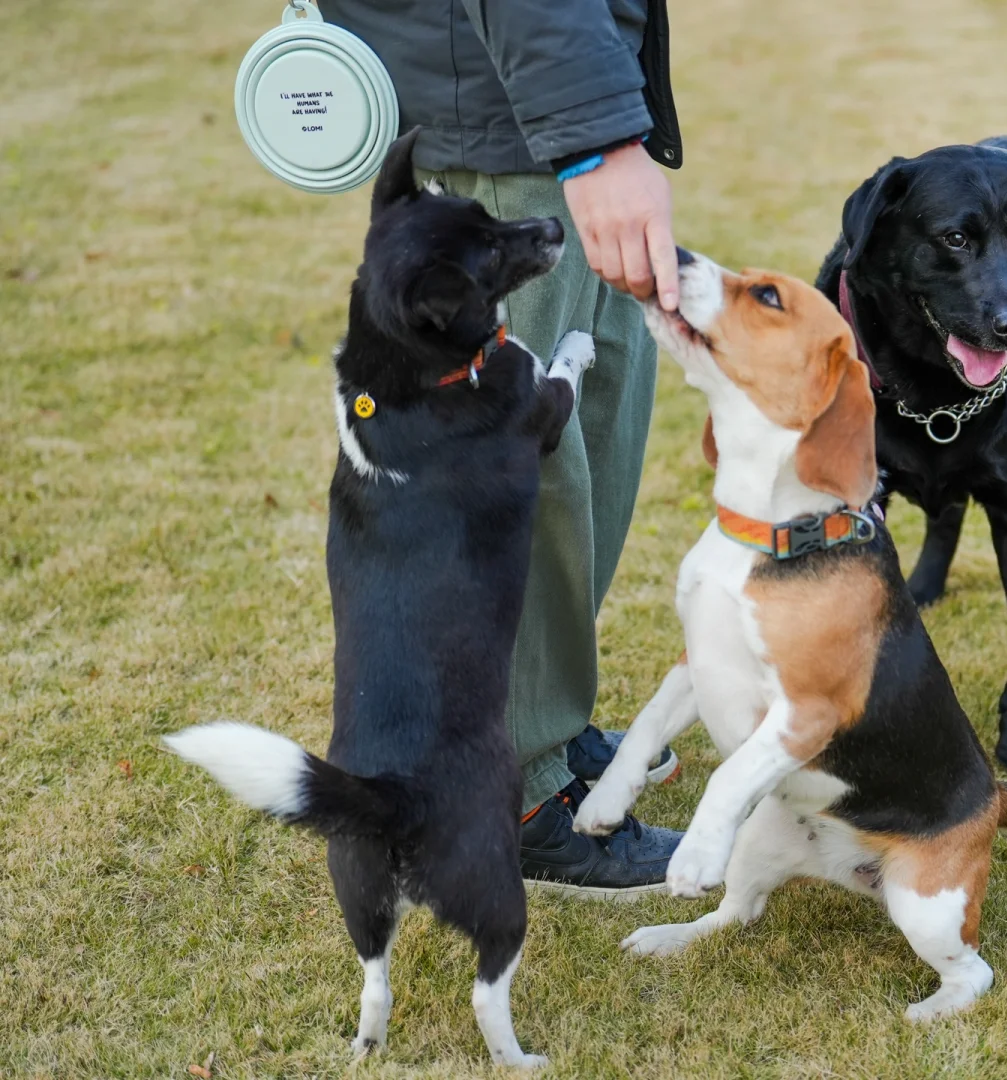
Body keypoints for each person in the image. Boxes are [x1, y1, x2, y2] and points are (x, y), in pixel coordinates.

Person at [326, 0, 686, 897]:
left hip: (533, 92)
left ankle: (547, 726)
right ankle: (517, 797)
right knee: (511, 477)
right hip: (497, 107)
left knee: (593, 423)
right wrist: (596, 138)